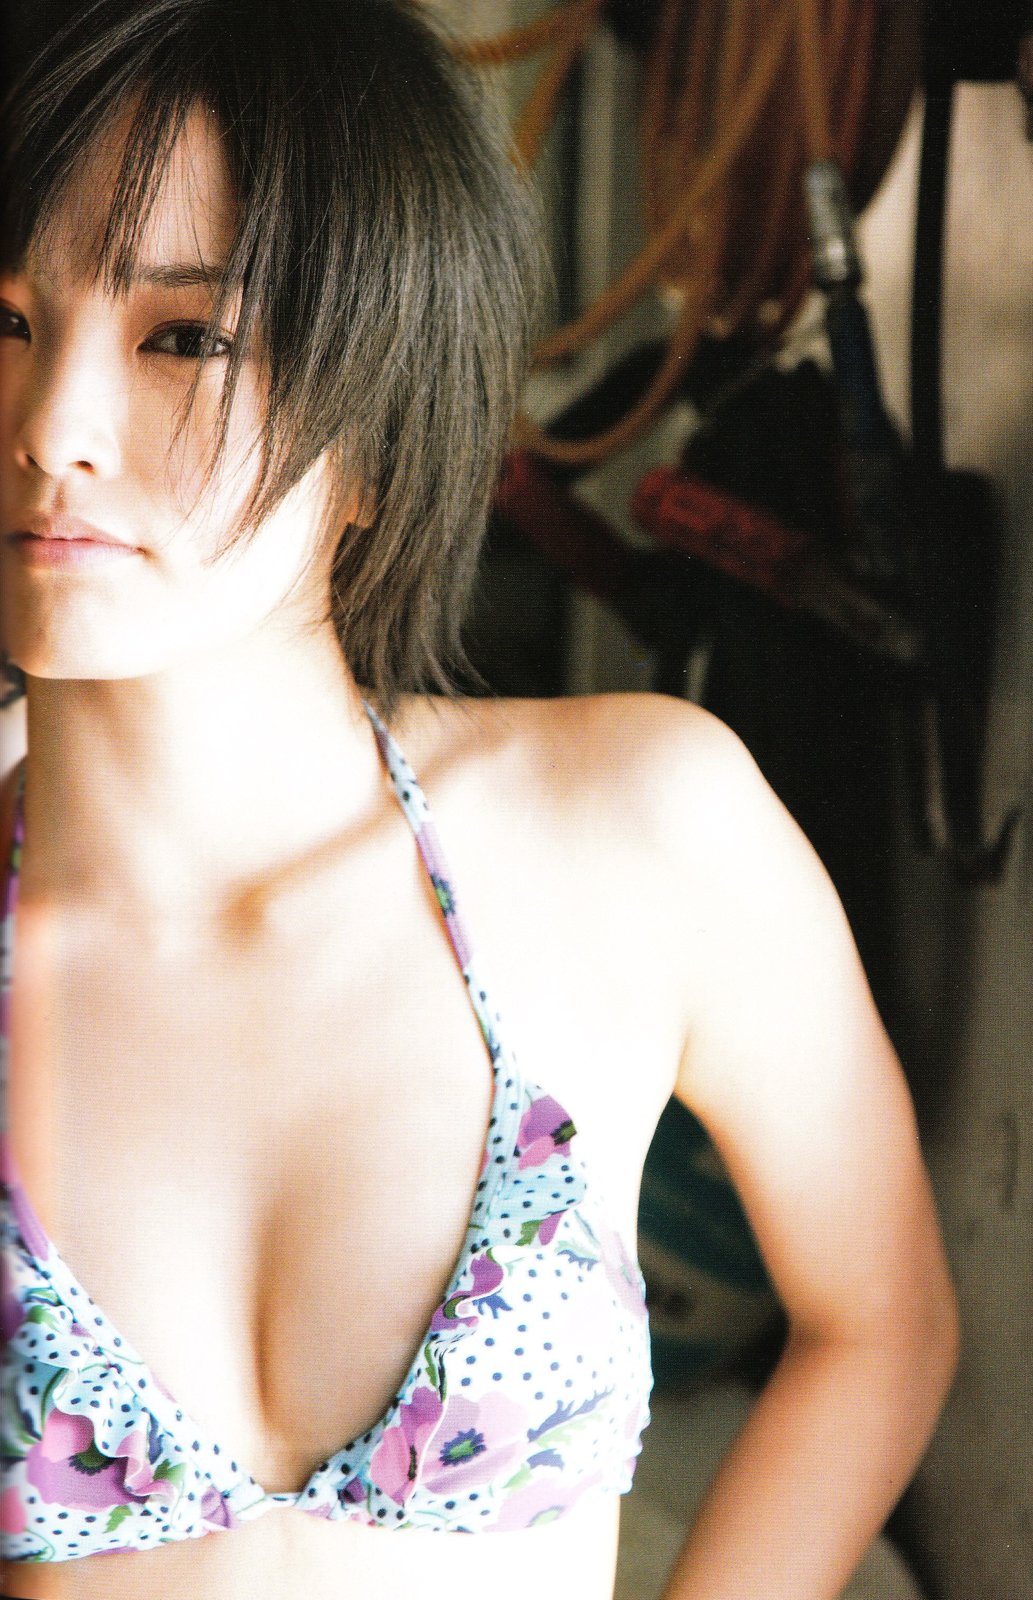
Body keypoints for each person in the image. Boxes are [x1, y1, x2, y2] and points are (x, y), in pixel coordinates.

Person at [0, 1, 959, 1597]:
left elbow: (880, 1322)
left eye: (186, 338)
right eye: (6, 321)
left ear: (378, 431)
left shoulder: (642, 829)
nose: (52, 429)